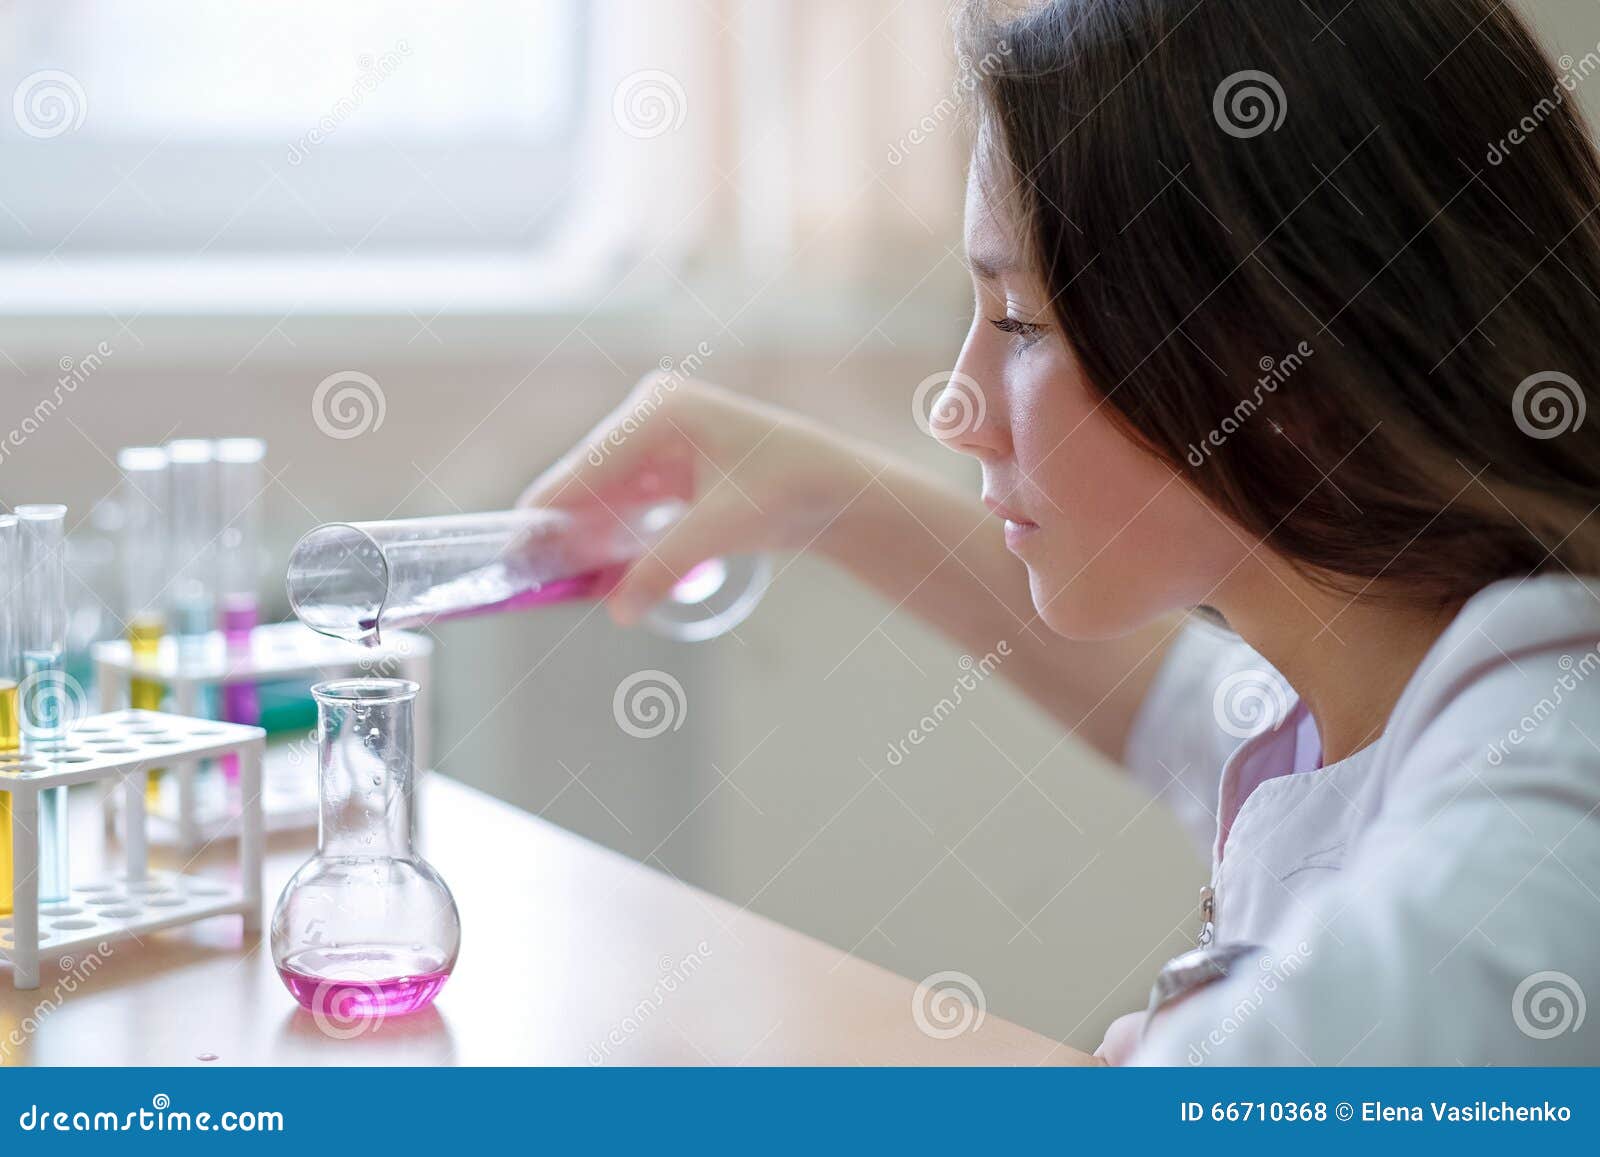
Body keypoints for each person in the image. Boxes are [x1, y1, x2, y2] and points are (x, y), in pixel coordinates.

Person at [522, 0, 1600, 1064]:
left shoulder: (1538, 807)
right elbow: (1191, 706)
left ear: (1282, 358)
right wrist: (819, 493)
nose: (956, 409)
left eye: (1021, 322)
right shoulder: (1382, 673)